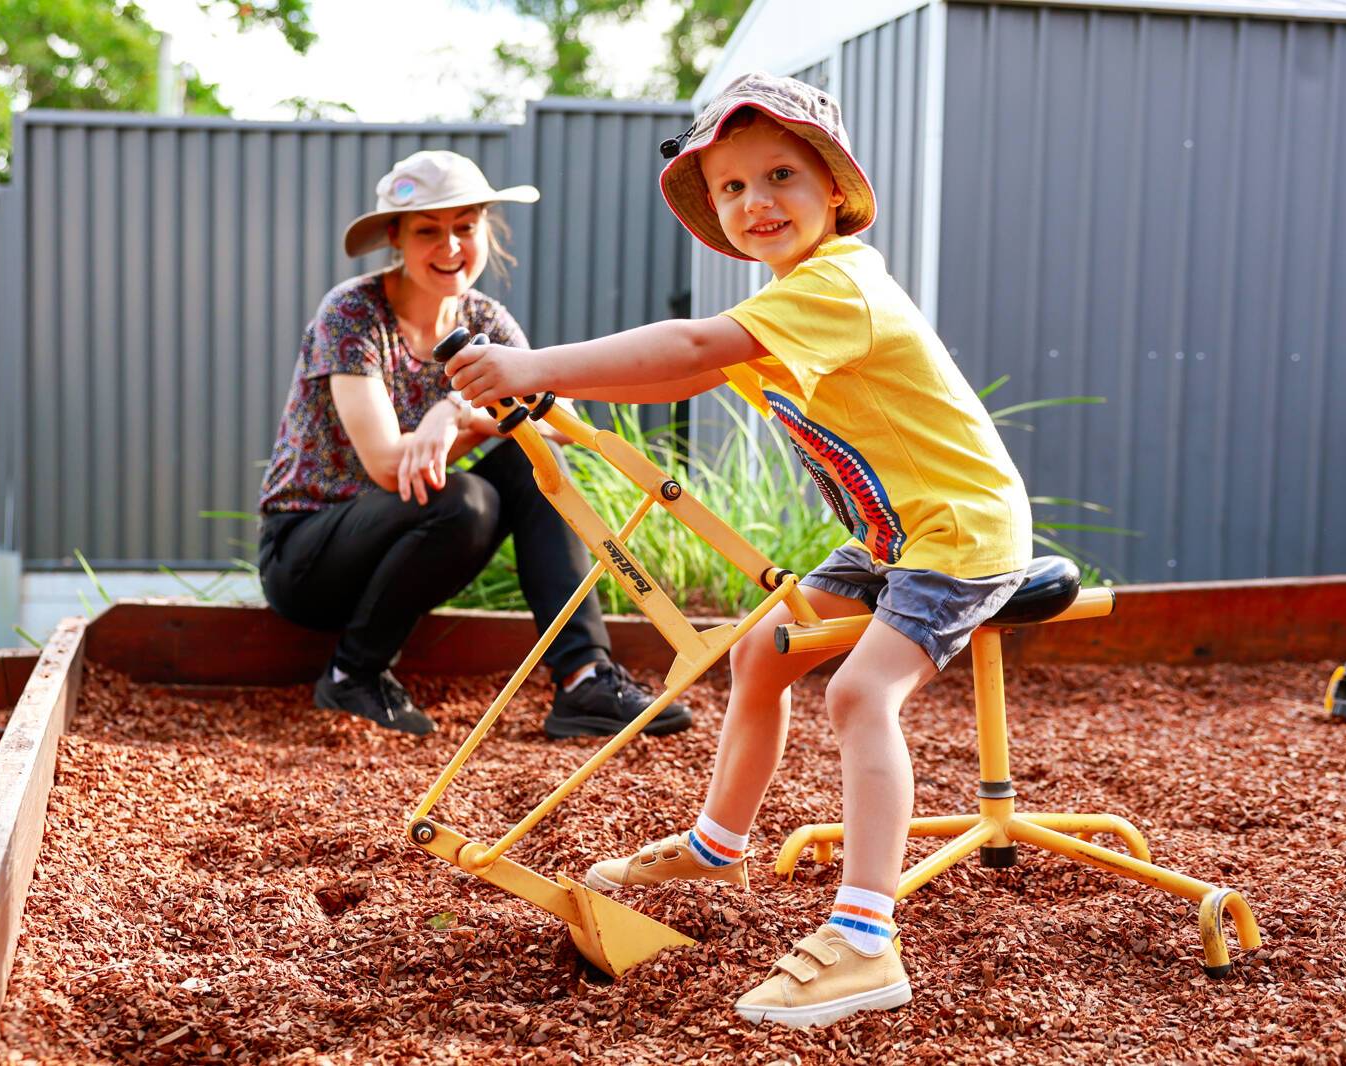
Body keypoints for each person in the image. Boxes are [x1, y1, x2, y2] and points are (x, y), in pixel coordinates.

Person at [443, 74, 1032, 1026]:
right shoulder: (791, 299)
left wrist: (536, 363)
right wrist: (556, 398)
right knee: (763, 653)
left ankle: (865, 940)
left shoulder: (840, 284)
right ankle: (718, 844)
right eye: (732, 189)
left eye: (782, 176)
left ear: (834, 189)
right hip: (890, 535)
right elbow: (684, 364)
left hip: (960, 531)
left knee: (858, 690)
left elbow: (684, 345)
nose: (757, 203)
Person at [256, 149, 691, 740]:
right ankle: (352, 674)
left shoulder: (487, 319)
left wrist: (455, 407)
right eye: (428, 231)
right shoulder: (353, 313)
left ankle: (584, 678)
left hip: (409, 544)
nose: (451, 246)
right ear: (396, 238)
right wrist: (476, 415)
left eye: (465, 227)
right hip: (309, 554)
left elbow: (560, 422)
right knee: (465, 498)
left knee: (530, 457)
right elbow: (389, 467)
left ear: (487, 230)